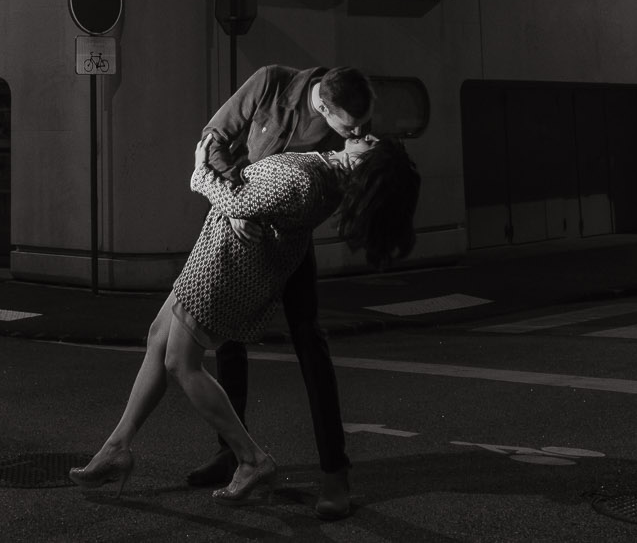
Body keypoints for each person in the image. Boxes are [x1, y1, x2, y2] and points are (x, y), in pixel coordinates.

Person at [69, 131, 420, 504]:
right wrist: (242, 206)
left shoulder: (304, 179)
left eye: (372, 142)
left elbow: (234, 198)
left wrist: (200, 169)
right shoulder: (329, 177)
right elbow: (248, 202)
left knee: (180, 362)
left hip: (226, 269)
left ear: (365, 164)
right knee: (159, 335)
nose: (365, 133)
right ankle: (116, 448)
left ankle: (251, 458)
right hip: (218, 256)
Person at [187, 64, 377, 519]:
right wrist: (235, 203)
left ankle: (336, 473)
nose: (358, 133)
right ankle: (230, 453)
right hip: (242, 230)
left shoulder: (347, 121)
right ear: (324, 106)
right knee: (228, 338)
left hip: (292, 240)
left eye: (362, 125)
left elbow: (340, 186)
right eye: (350, 126)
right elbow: (214, 139)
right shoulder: (271, 83)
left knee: (310, 341)